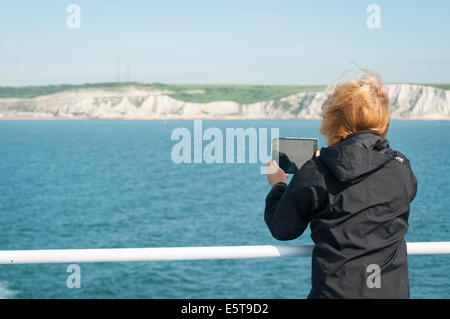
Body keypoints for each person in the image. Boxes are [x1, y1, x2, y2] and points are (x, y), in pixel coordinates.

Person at [264, 70, 417, 299]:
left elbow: (283, 228)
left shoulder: (316, 171)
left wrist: (279, 185)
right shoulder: (401, 168)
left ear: (334, 120)